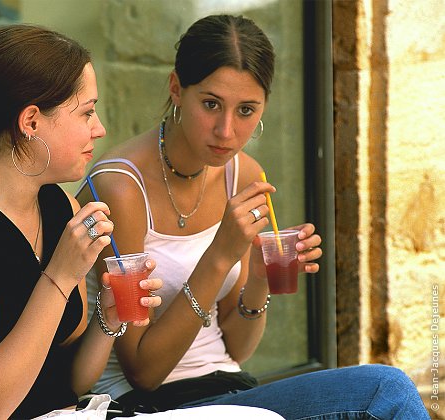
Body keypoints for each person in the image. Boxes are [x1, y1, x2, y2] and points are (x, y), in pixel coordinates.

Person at [76, 14, 429, 419]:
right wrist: (220, 256)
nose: (227, 130)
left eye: (246, 110)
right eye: (211, 105)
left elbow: (236, 348)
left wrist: (259, 279)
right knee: (387, 391)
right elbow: (144, 371)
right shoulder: (120, 187)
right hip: (145, 404)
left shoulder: (244, 175)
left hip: (230, 390)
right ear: (176, 88)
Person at [0, 24, 165, 419]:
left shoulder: (61, 208)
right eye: (87, 112)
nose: (99, 128)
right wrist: (60, 274)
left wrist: (108, 318)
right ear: (31, 122)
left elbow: (67, 383)